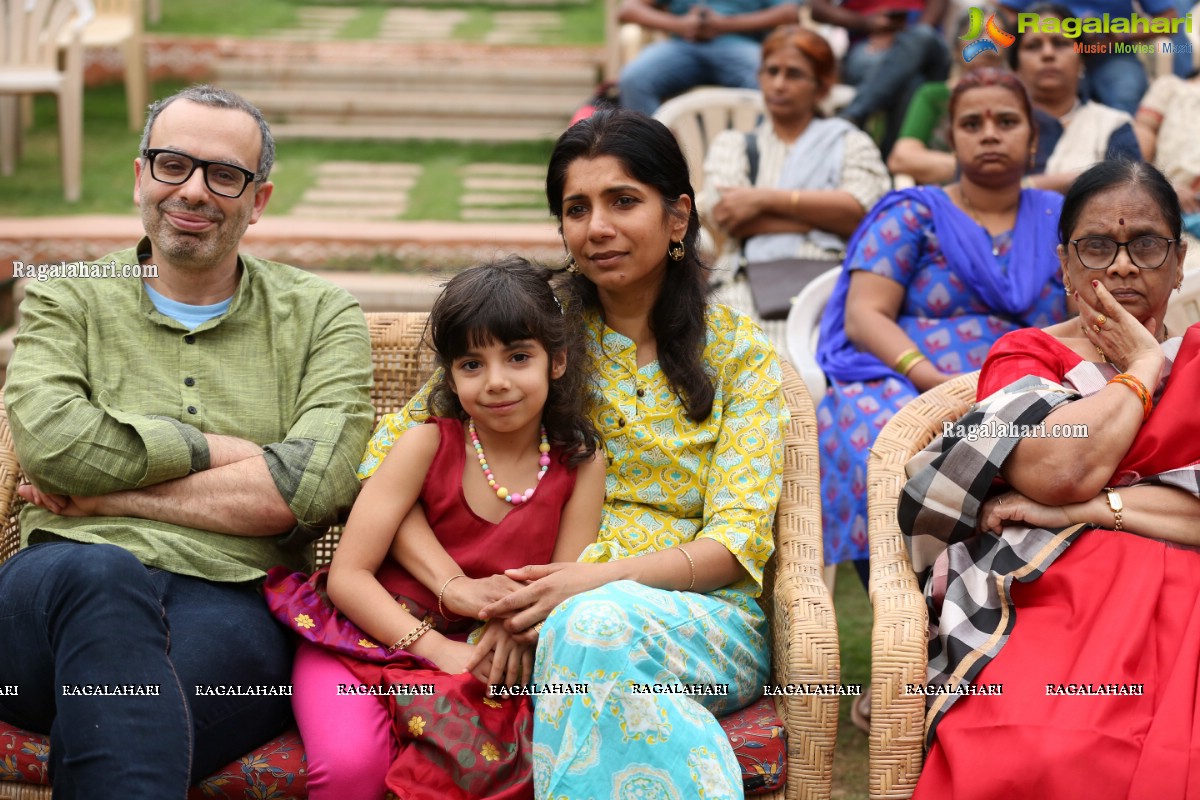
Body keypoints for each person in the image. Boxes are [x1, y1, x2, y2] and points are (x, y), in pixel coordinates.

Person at [359, 108, 788, 796]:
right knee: (583, 632)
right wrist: (459, 591)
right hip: (526, 611)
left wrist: (578, 589)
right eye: (576, 208)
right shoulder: (532, 338)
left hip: (702, 623)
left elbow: (734, 545)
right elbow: (389, 461)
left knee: (593, 624)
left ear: (677, 217)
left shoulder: (741, 358)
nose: (597, 228)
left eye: (623, 201)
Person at [0, 85, 374, 798]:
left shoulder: (323, 314)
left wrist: (110, 489)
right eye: (173, 164)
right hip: (54, 589)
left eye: (223, 175)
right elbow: (51, 444)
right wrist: (230, 454)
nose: (194, 191)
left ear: (258, 199)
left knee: (133, 717)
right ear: (140, 175)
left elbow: (313, 487)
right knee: (101, 577)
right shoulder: (64, 294)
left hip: (233, 599)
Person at [904, 160, 1195, 798]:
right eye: (1096, 247)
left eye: (1146, 245)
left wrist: (1084, 510)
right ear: (1064, 264)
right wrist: (1144, 369)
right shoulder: (1028, 356)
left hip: (1186, 585)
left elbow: (1069, 495)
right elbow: (1062, 469)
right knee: (1043, 747)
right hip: (1050, 590)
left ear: (1178, 263)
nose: (1121, 266)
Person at [264, 259, 606, 800]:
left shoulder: (581, 465)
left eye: (518, 357)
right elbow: (349, 577)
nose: (496, 382)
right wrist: (434, 651)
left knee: (497, 770)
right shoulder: (426, 445)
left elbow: (559, 586)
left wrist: (510, 629)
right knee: (352, 769)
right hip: (359, 642)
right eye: (472, 364)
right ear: (450, 375)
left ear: (557, 362)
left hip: (481, 656)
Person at [816, 68, 1068, 599]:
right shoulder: (915, 212)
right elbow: (865, 315)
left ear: (1034, 137)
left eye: (1006, 120)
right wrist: (932, 382)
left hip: (1028, 394)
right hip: (908, 380)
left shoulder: (1063, 221)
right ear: (950, 137)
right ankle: (901, 613)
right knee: (873, 434)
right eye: (972, 123)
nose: (990, 133)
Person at [698, 24, 890, 357]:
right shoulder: (736, 145)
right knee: (739, 354)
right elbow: (730, 218)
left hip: (834, 283)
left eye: (794, 74)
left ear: (821, 86)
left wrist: (763, 198)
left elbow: (863, 215)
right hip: (746, 283)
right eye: (771, 71)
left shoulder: (849, 143)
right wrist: (824, 216)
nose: (779, 84)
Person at [1010, 3, 1143, 193]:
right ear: (1016, 67)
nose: (1048, 54)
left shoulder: (1112, 125)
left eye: (1060, 43)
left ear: (1081, 59)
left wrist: (1027, 187)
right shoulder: (996, 126)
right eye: (1033, 46)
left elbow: (1130, 193)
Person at [887, 7, 1010, 185]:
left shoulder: (1015, 101)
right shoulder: (935, 96)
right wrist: (979, 167)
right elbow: (901, 158)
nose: (986, 43)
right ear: (955, 49)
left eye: (996, 35)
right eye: (976, 35)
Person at [810, 0, 951, 155]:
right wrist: (867, 23)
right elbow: (817, 9)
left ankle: (854, 114)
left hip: (926, 49)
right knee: (910, 83)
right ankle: (893, 163)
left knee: (922, 36)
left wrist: (909, 38)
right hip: (869, 44)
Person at [616, 0, 801, 115]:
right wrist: (679, 24)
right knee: (634, 78)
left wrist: (725, 24)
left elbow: (790, 12)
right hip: (683, 45)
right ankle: (653, 158)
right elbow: (628, 9)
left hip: (740, 43)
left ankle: (758, 156)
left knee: (771, 81)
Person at [1001, 0, 1183, 114]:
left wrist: (1120, 35)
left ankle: (1120, 163)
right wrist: (1041, 32)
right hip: (1051, 47)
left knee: (1126, 92)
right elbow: (1005, 13)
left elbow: (1170, 20)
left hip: (1111, 51)